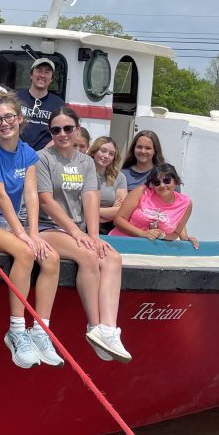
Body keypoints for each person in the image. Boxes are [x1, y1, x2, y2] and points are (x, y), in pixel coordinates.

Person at [0, 93, 63, 368]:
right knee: (24, 253)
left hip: (11, 224)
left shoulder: (28, 153)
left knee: (51, 258)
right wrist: (22, 235)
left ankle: (41, 331)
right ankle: (16, 330)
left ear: (20, 119)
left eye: (9, 117)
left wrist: (33, 232)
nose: (4, 123)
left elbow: (31, 194)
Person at [35, 106, 130, 363]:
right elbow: (46, 201)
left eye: (68, 128)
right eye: (56, 130)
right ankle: (94, 327)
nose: (62, 134)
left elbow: (90, 197)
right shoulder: (42, 158)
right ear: (50, 132)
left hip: (76, 229)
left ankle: (109, 330)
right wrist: (77, 232)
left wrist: (94, 235)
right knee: (88, 256)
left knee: (112, 258)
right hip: (47, 227)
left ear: (77, 129)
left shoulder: (86, 162)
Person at [110, 164, 199, 248]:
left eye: (167, 181)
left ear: (175, 181)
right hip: (122, 243)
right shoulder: (142, 191)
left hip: (152, 250)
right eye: (157, 182)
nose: (162, 185)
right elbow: (119, 220)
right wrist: (143, 234)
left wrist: (163, 235)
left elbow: (175, 234)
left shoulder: (186, 203)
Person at [17, 57, 63, 151]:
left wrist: (42, 154)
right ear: (31, 75)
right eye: (39, 70)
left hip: (44, 156)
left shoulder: (59, 104)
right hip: (15, 151)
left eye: (47, 72)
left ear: (52, 78)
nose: (42, 75)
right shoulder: (15, 98)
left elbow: (61, 133)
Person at [88, 136, 127, 233]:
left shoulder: (119, 177)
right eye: (103, 151)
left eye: (111, 154)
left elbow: (122, 211)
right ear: (94, 151)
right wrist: (109, 211)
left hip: (107, 228)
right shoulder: (83, 172)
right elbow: (75, 209)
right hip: (82, 227)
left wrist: (88, 211)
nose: (106, 156)